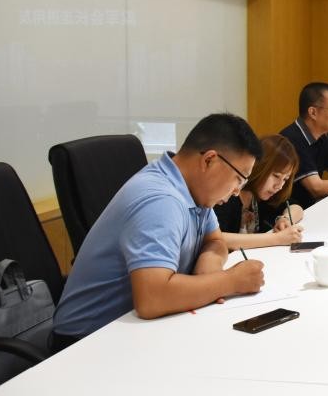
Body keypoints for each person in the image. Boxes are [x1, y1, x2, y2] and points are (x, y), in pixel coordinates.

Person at [52, 113, 266, 348]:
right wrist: (231, 281)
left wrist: (209, 269)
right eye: (239, 179)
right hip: (85, 342)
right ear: (209, 160)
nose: (237, 191)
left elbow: (215, 241)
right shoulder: (161, 201)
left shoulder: (194, 190)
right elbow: (152, 299)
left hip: (136, 329)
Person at [214, 134, 305, 250]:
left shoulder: (263, 195)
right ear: (258, 166)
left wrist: (285, 219)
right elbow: (216, 238)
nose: (279, 186)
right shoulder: (227, 195)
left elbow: (296, 206)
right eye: (276, 176)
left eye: (285, 179)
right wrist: (277, 239)